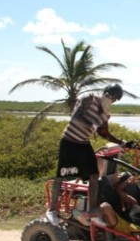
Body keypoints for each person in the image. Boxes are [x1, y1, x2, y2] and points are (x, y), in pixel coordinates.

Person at [46, 84, 133, 226]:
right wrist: (92, 123)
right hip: (69, 140)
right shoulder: (89, 99)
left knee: (94, 176)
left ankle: (92, 211)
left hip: (84, 143)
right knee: (62, 174)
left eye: (114, 99)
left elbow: (103, 133)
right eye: (110, 96)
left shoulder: (105, 114)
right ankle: (52, 209)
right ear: (105, 93)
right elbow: (76, 117)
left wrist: (121, 142)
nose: (110, 100)